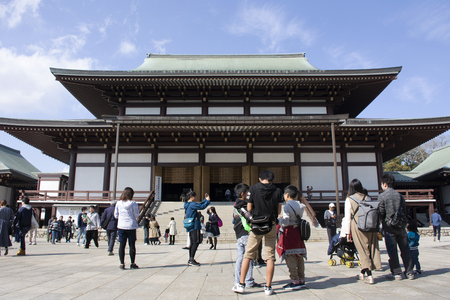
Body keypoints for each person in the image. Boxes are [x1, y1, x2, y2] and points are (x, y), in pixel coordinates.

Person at [236, 170, 283, 296]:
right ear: (272, 179)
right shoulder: (278, 191)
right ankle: (268, 287)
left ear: (260, 178)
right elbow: (279, 210)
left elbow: (249, 208)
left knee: (248, 254)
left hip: (256, 225)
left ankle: (241, 285)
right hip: (271, 225)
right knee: (270, 256)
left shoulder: (253, 189)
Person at [340, 179, 381, 284]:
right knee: (371, 248)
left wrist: (347, 233)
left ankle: (370, 276)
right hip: (370, 225)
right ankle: (362, 273)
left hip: (358, 226)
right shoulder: (368, 197)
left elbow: (348, 217)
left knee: (362, 250)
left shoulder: (349, 199)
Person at [378, 173, 413, 280]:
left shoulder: (382, 196)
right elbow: (404, 211)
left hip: (389, 227)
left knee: (392, 250)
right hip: (401, 226)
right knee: (405, 250)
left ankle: (397, 272)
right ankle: (409, 271)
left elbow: (381, 212)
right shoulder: (400, 196)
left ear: (384, 184)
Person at [277, 185, 307, 290]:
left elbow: (285, 222)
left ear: (287, 195)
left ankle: (294, 279)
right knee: (299, 256)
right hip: (298, 232)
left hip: (289, 232)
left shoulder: (287, 207)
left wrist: (279, 219)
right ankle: (302, 278)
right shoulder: (300, 205)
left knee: (290, 256)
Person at [232, 183, 261, 292]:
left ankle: (242, 280)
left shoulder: (236, 204)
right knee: (247, 257)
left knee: (242, 257)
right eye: (248, 193)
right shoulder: (242, 205)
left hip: (239, 234)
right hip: (245, 233)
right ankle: (245, 280)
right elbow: (249, 217)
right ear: (243, 194)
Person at [114, 187, 140, 269]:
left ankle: (122, 263)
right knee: (132, 244)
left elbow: (116, 215)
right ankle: (132, 263)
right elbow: (136, 215)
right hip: (131, 226)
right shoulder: (133, 203)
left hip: (121, 226)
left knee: (122, 245)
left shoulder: (118, 203)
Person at [184, 190, 210, 266]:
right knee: (196, 241)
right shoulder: (192, 204)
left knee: (192, 242)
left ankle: (191, 259)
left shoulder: (188, 204)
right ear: (191, 197)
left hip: (190, 225)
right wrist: (207, 201)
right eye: (195, 196)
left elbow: (199, 205)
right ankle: (191, 259)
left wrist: (205, 200)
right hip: (195, 225)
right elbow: (201, 206)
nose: (196, 197)